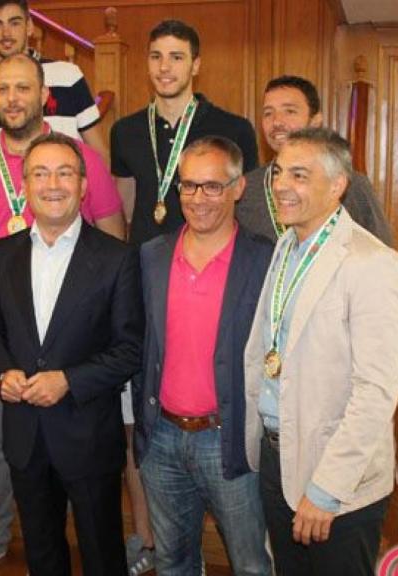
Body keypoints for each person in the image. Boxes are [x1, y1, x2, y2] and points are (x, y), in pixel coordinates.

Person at [0, 52, 125, 576]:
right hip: (6, 359)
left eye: (24, 88)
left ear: (44, 92)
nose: (13, 98)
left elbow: (113, 248)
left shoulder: (84, 165)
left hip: (79, 373)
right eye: (3, 89)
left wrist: (78, 367)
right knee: (1, 463)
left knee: (96, 530)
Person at [243, 127, 398, 575]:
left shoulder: (371, 264)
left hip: (336, 475)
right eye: (279, 172)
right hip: (279, 458)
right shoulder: (287, 245)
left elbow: (375, 394)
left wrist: (326, 489)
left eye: (299, 175)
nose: (281, 184)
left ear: (337, 186)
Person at [0, 132, 144, 576]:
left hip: (87, 434)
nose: (53, 184)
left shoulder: (117, 258)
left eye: (65, 173)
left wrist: (68, 380)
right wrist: (2, 372)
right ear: (25, 186)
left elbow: (131, 349)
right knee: (42, 553)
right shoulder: (2, 254)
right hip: (25, 436)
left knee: (102, 555)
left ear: (84, 186)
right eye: (41, 173)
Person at [133, 136, 273, 576]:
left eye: (212, 186)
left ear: (238, 188)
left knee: (251, 563)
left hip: (228, 438)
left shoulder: (265, 260)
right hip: (162, 439)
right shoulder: (152, 257)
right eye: (189, 186)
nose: (198, 199)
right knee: (174, 562)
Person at [111, 19, 259, 245]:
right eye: (156, 56)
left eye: (176, 57)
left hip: (211, 262)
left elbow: (247, 208)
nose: (164, 67)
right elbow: (127, 209)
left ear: (196, 65)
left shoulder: (234, 129)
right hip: (144, 266)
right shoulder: (124, 131)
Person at [236, 75, 394, 246]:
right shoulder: (245, 190)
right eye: (268, 113)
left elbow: (382, 252)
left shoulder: (353, 186)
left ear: (315, 121)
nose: (276, 122)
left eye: (289, 111)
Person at [0, 0, 108, 162]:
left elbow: (98, 153)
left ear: (29, 26)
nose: (6, 34)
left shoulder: (67, 76)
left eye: (14, 23)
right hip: (5, 187)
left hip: (63, 185)